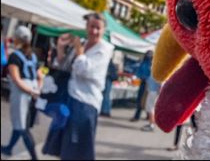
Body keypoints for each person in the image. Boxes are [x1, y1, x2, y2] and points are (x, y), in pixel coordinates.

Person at [42, 12, 114, 160]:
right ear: (86, 27)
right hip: (69, 98)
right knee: (64, 147)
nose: (94, 31)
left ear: (104, 30)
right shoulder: (82, 43)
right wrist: (61, 48)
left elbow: (84, 71)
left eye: (98, 28)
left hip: (85, 103)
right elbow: (63, 67)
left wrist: (79, 52)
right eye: (91, 26)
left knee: (76, 150)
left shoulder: (104, 49)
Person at [1, 25, 43, 160]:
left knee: (22, 128)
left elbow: (16, 79)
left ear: (17, 38)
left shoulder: (15, 56)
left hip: (22, 94)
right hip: (32, 94)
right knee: (21, 123)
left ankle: (34, 157)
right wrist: (36, 90)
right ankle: (8, 148)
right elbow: (40, 76)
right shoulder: (33, 56)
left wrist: (30, 91)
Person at [130, 50, 153, 122]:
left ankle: (146, 117)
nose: (148, 56)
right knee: (142, 100)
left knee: (145, 100)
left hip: (149, 84)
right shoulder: (144, 63)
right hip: (144, 83)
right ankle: (139, 116)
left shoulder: (150, 64)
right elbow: (138, 70)